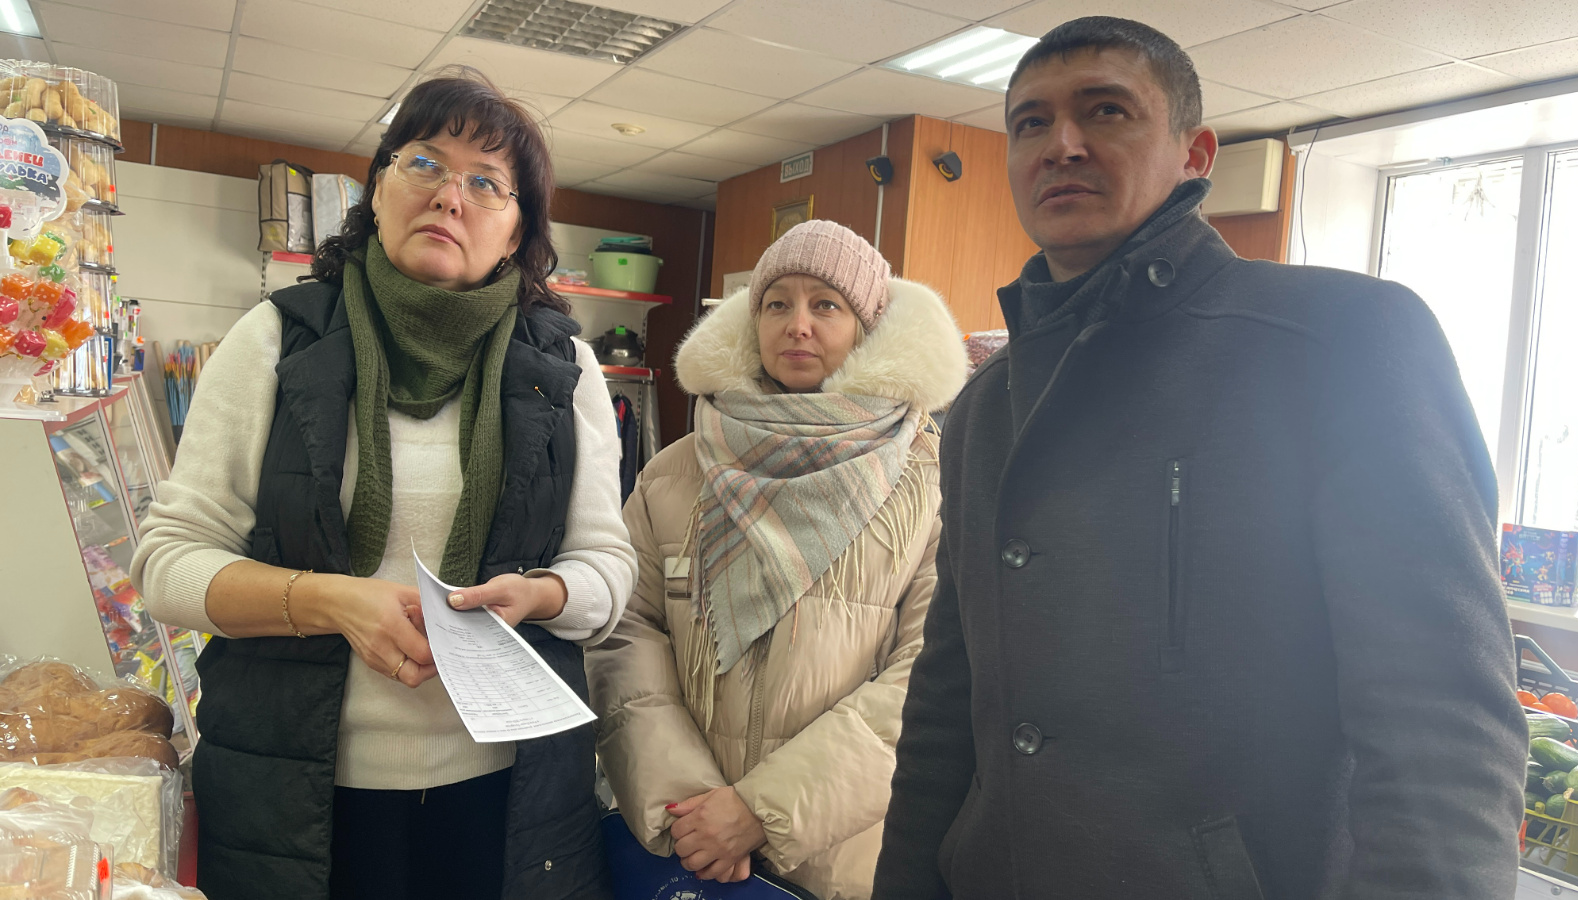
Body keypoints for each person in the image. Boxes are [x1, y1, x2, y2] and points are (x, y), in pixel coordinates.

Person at [873, 17, 1526, 900]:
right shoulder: (985, 405)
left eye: (1105, 110)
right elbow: (947, 701)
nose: (1062, 144)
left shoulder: (1340, 342)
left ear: (1196, 154)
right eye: (1030, 123)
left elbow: (1441, 725)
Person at [131, 68, 636, 900]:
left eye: (487, 182)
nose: (449, 196)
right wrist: (329, 601)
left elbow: (607, 567)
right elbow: (168, 565)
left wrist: (541, 594)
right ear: (378, 189)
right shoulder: (276, 340)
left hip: (507, 796)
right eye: (424, 163)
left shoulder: (563, 367)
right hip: (296, 798)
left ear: (518, 232)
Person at [586, 221, 968, 900]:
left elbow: (930, 677)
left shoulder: (931, 484)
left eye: (827, 304)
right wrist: (690, 806)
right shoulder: (675, 473)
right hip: (689, 851)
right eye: (777, 303)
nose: (797, 324)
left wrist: (761, 811)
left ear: (868, 328)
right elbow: (626, 631)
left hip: (844, 862)